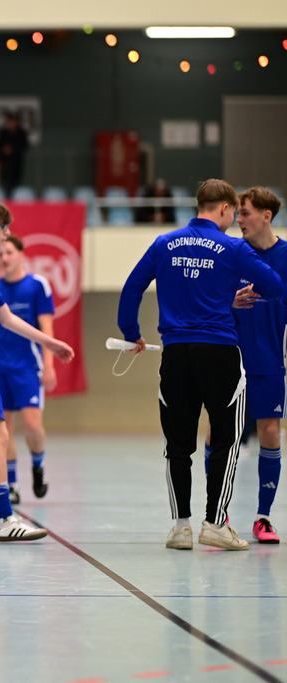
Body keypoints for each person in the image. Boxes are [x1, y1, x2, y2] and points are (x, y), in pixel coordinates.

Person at [117, 178, 284, 552]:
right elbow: (274, 285)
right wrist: (237, 297)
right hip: (220, 354)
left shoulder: (164, 243)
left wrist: (132, 332)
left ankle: (180, 527)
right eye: (233, 213)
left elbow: (131, 288)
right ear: (224, 208)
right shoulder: (231, 247)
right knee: (226, 440)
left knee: (178, 445)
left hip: (175, 355)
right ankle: (215, 523)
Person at [0, 200, 73, 540]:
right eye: (1, 227)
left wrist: (48, 343)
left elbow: (6, 318)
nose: (5, 235)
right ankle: (3, 519)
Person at [217, 187, 285, 543]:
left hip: (269, 359)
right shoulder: (231, 253)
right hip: (228, 358)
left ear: (266, 216)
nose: (238, 219)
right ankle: (218, 516)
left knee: (270, 432)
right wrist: (230, 302)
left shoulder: (286, 256)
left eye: (244, 213)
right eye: (238, 213)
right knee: (219, 432)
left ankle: (263, 517)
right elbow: (211, 303)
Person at [0, 233, 56, 504]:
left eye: (9, 253)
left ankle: (38, 465)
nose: (5, 258)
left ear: (21, 254)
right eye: (1, 254)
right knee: (3, 430)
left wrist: (50, 365)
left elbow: (47, 328)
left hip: (28, 368)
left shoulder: (36, 286)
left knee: (32, 425)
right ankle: (11, 484)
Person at [0, 112, 29, 199]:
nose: (11, 124)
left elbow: (24, 146)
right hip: (5, 164)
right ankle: (7, 199)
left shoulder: (21, 133)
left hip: (16, 164)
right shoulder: (3, 133)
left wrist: (13, 149)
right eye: (10, 122)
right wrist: (1, 155)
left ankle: (14, 200)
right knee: (5, 184)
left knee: (17, 184)